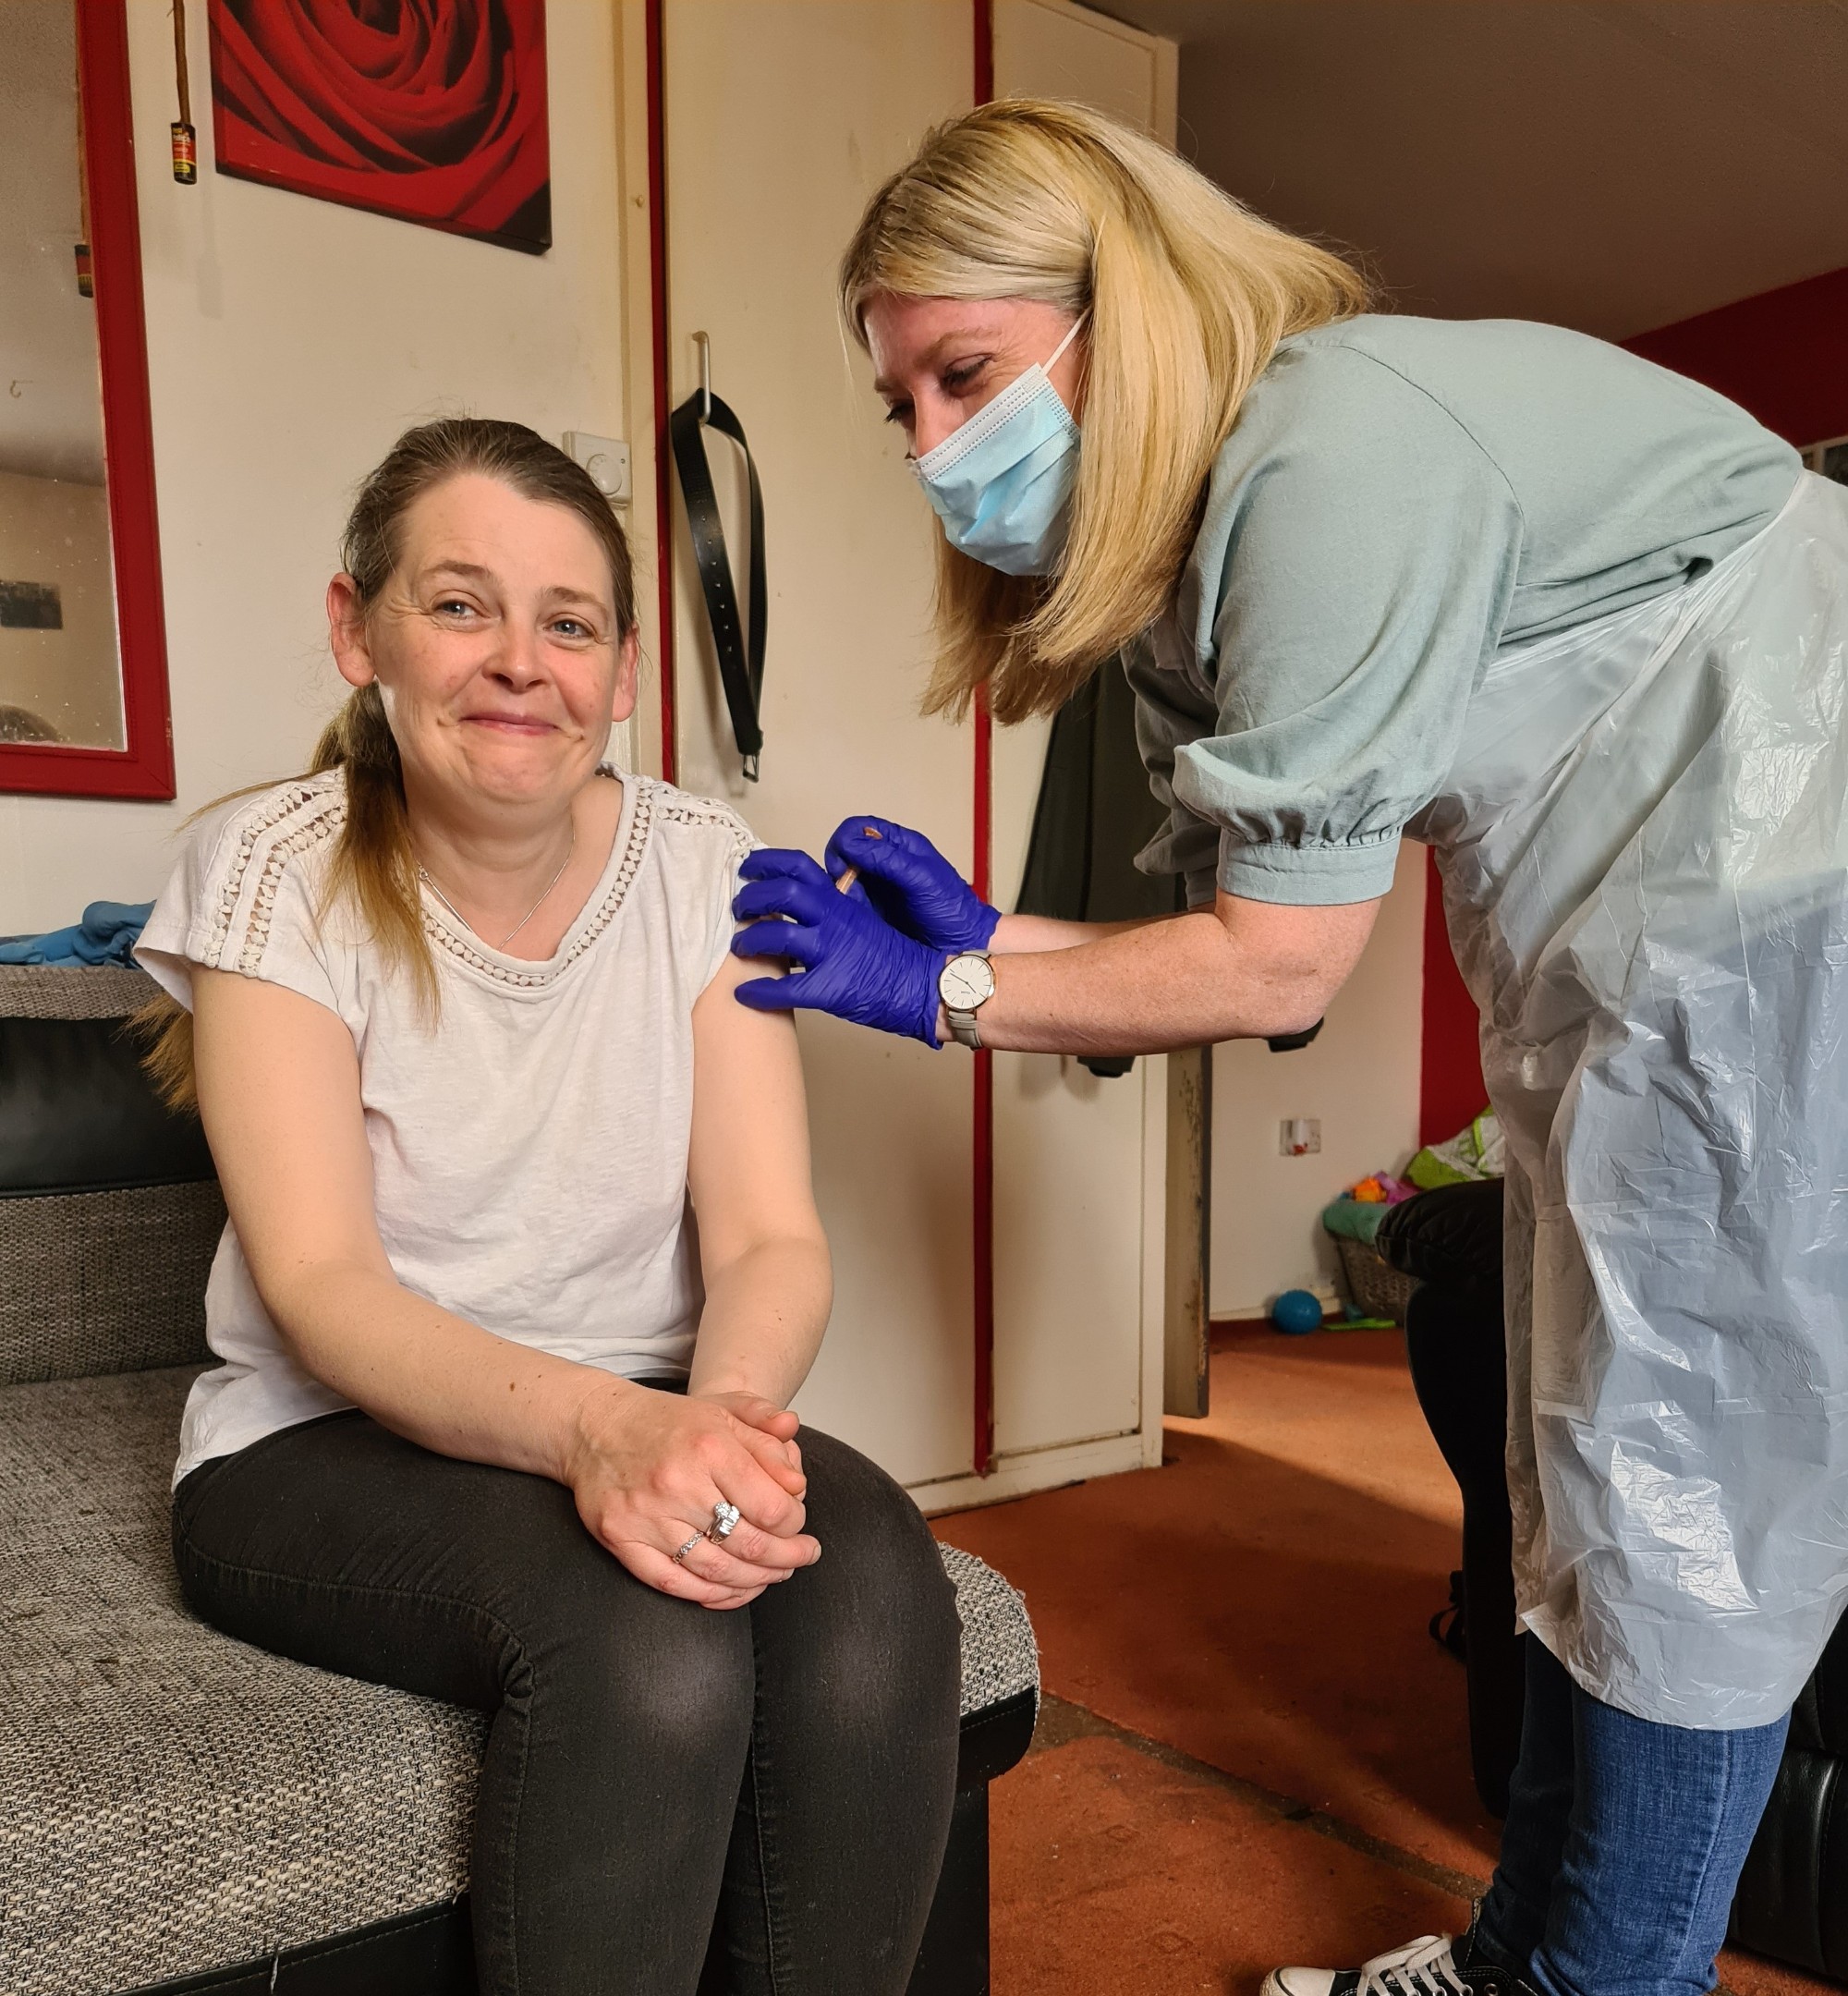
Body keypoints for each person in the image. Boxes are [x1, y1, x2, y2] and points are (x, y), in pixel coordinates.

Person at [729, 100, 1848, 1996]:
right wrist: (999, 939)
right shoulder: (1213, 543)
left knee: (1677, 1506)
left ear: (1127, 309)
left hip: (1776, 912)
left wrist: (939, 994)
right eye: (900, 404)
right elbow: (1282, 944)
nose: (933, 449)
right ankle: (1524, 1957)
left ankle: (1600, 1983)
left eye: (965, 374)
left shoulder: (1328, 457)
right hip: (1647, 941)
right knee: (1577, 1450)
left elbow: (1263, 972)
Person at [133, 419, 962, 1996]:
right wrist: (604, 1436)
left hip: (657, 1402)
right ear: (353, 626)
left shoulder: (704, 867)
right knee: (648, 1655)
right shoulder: (267, 871)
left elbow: (771, 1237)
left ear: (627, 670)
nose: (521, 662)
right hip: (321, 1442)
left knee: (871, 1592)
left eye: (568, 623)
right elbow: (321, 1286)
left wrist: (714, 1422)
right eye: (459, 606)